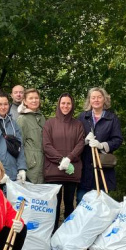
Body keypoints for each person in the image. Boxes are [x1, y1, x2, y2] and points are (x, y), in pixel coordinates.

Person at [42, 93, 86, 225]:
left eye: (68, 103)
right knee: (53, 206)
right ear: (58, 104)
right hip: (53, 172)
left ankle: (67, 235)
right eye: (63, 103)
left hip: (71, 173)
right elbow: (46, 145)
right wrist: (61, 160)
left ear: (72, 105)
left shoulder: (77, 125)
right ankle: (53, 233)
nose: (65, 106)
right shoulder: (49, 123)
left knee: (69, 205)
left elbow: (80, 143)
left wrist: (69, 158)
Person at [78, 87, 123, 203]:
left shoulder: (112, 118)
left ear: (104, 99)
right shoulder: (82, 117)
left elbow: (117, 140)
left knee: (101, 202)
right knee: (82, 201)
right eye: (93, 97)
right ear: (89, 100)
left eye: (99, 97)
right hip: (85, 166)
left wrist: (102, 145)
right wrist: (85, 141)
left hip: (103, 167)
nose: (96, 100)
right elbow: (75, 139)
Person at [0, 91, 27, 182]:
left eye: (5, 104)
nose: (3, 107)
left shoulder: (13, 122)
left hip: (14, 171)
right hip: (0, 174)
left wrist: (22, 168)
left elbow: (19, 146)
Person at [17, 88, 46, 183]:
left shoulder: (41, 117)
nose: (34, 100)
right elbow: (19, 145)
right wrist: (21, 167)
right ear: (25, 101)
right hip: (30, 166)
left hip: (43, 164)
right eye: (31, 98)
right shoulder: (22, 119)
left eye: (36, 98)